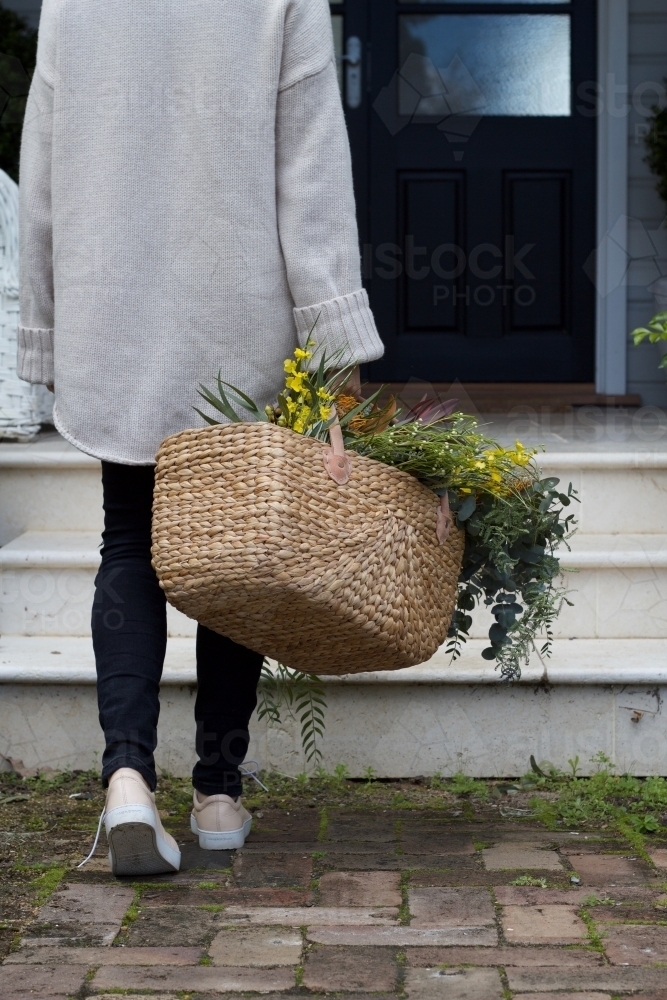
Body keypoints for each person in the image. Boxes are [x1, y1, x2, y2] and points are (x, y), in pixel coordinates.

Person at [18, 0, 383, 876]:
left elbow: (44, 166)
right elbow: (311, 173)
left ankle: (126, 781)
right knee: (239, 558)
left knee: (129, 541)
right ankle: (218, 793)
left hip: (115, 308)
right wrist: (335, 340)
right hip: (238, 314)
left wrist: (46, 326)